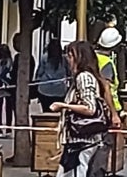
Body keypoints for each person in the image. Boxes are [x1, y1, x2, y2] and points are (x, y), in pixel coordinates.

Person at [51, 40, 115, 177]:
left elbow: (90, 108)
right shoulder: (87, 76)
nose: (68, 60)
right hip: (81, 141)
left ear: (79, 57)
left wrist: (63, 106)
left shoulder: (84, 77)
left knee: (76, 172)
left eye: (70, 56)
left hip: (82, 140)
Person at [36, 40, 70, 112]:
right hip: (60, 91)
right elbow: (68, 73)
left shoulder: (45, 57)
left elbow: (40, 72)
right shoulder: (64, 59)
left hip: (45, 89)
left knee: (46, 112)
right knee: (58, 113)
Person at [0, 43, 14, 137]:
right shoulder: (10, 62)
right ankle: (8, 129)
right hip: (8, 86)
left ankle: (0, 129)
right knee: (8, 109)